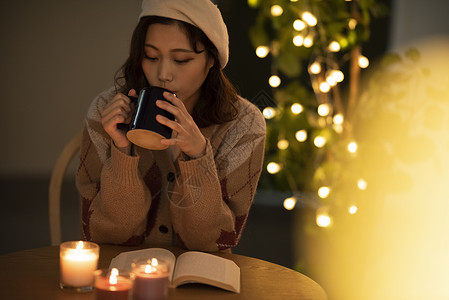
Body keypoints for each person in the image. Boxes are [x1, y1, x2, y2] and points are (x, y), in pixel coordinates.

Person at [76, 0, 266, 252]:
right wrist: (122, 152)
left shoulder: (244, 124)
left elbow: (213, 241)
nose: (163, 73)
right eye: (151, 56)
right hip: (121, 277)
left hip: (199, 281)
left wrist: (198, 156)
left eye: (181, 59)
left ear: (212, 60)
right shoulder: (107, 111)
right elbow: (105, 232)